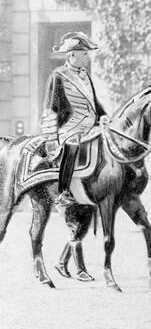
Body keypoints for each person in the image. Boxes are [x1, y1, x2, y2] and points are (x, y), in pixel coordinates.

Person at [39, 32, 108, 206]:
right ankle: (63, 193)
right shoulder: (58, 76)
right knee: (72, 146)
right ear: (72, 54)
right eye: (84, 54)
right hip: (70, 128)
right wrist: (51, 139)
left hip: (90, 126)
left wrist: (105, 116)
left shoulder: (85, 75)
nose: (87, 58)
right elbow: (50, 109)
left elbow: (94, 102)